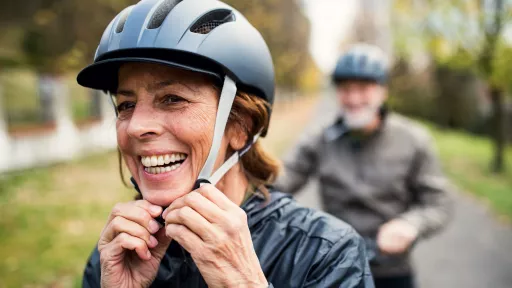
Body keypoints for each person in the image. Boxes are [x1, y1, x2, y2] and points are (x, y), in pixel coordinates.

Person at [77, 1, 374, 287]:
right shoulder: (116, 252)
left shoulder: (327, 254)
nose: (137, 126)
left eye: (172, 99)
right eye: (126, 105)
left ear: (240, 126)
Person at [274, 43, 452, 288]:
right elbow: (282, 179)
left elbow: (438, 203)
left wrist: (411, 224)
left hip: (392, 270)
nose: (354, 98)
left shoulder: (414, 140)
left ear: (383, 91)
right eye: (346, 89)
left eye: (364, 88)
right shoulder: (320, 138)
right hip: (335, 266)